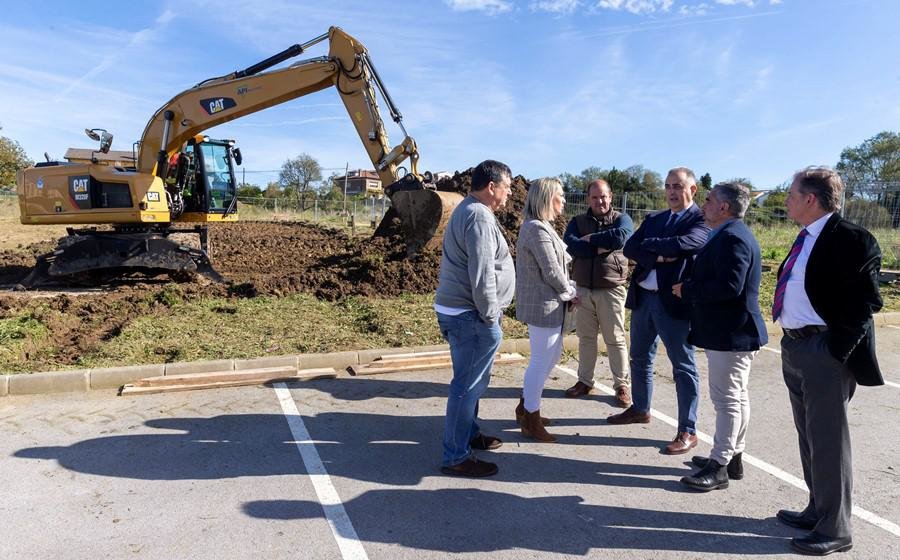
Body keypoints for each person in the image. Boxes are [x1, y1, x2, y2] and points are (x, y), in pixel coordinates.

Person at [773, 167, 882, 556]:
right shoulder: (804, 238)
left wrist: (834, 352)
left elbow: (866, 303)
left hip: (823, 353)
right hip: (794, 347)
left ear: (811, 199)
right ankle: (818, 509)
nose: (785, 199)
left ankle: (836, 529)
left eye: (791, 193)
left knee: (829, 442)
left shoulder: (852, 239)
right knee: (809, 438)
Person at [606, 167, 709, 456]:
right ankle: (640, 409)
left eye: (677, 185)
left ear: (692, 190)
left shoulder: (701, 219)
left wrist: (653, 249)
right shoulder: (654, 218)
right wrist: (664, 253)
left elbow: (688, 244)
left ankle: (688, 429)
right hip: (644, 300)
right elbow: (630, 248)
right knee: (639, 357)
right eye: (667, 186)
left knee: (683, 366)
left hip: (673, 302)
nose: (672, 191)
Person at [671, 182, 767, 491]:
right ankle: (733, 456)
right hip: (731, 332)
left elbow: (729, 287)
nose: (704, 204)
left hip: (732, 332)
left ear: (724, 207)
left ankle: (720, 465)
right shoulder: (728, 234)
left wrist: (687, 290)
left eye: (709, 200)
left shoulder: (733, 238)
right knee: (737, 396)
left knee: (727, 400)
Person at [434, 159, 516, 478]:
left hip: (464, 313)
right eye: (507, 187)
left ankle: (468, 435)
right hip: (472, 316)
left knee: (472, 382)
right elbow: (482, 275)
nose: (509, 193)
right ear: (491, 187)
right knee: (466, 386)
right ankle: (455, 456)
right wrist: (491, 316)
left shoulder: (470, 210)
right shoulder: (478, 216)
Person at [514, 177, 577, 442]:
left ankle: (525, 406)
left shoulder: (542, 227)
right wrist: (571, 292)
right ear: (546, 198)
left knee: (550, 359)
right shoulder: (537, 229)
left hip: (551, 304)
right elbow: (551, 270)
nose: (563, 199)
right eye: (559, 195)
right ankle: (531, 418)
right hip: (544, 305)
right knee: (541, 361)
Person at [563, 179, 634, 407]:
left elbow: (620, 237)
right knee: (586, 339)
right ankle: (584, 381)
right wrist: (601, 247)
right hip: (583, 289)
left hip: (611, 289)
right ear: (588, 199)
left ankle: (622, 386)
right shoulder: (577, 221)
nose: (599, 201)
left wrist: (590, 240)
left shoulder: (622, 219)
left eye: (603, 196)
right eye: (594, 197)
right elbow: (571, 244)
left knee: (615, 339)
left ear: (610, 196)